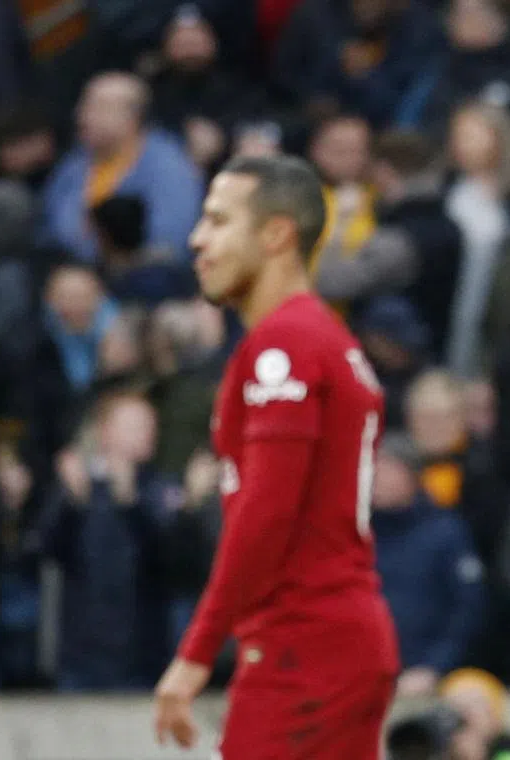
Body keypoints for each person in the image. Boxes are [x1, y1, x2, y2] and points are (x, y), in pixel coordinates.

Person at [151, 154, 400, 758]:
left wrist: (194, 655)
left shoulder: (283, 345)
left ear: (276, 234)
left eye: (216, 221)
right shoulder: (319, 337)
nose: (196, 239)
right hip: (334, 641)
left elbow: (265, 515)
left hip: (303, 648)